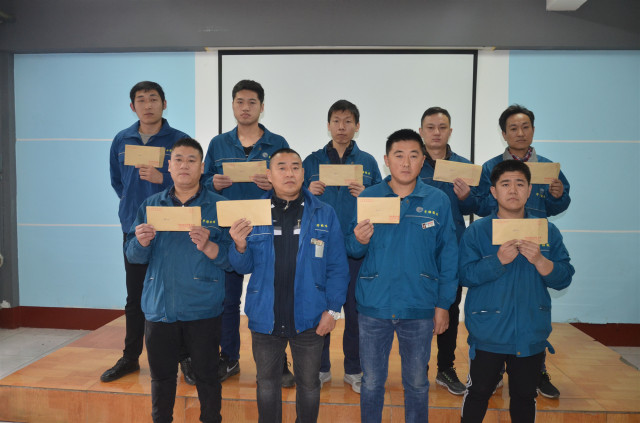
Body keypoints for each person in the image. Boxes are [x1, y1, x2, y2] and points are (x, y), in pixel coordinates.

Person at [228, 148, 350, 423]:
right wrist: (239, 245)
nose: (289, 173)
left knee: (309, 385)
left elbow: (338, 267)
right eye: (281, 167)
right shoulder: (251, 214)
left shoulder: (324, 213)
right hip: (265, 316)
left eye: (295, 167)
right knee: (266, 384)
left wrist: (333, 311)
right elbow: (241, 267)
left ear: (303, 174)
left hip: (310, 317)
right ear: (269, 175)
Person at [346, 129, 459, 423]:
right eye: (399, 155)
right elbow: (351, 249)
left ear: (423, 160)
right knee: (372, 382)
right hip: (375, 306)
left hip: (419, 306)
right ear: (386, 160)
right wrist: (358, 239)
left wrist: (443, 305)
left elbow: (449, 257)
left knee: (417, 383)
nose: (406, 163)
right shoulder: (369, 197)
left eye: (413, 156)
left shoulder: (438, 200)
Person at [125, 137, 232, 423]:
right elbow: (133, 256)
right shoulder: (151, 205)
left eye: (191, 160)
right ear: (169, 167)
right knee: (161, 378)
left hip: (203, 308)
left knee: (208, 377)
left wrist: (210, 246)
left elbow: (232, 260)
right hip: (160, 307)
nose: (185, 165)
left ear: (202, 167)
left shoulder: (219, 206)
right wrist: (141, 242)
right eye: (179, 160)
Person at [459, 160, 574, 423]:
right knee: (478, 393)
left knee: (524, 397)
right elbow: (464, 275)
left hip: (530, 332)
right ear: (493, 191)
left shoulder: (546, 231)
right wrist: (497, 260)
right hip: (488, 332)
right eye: (505, 184)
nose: (513, 190)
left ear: (530, 190)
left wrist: (542, 262)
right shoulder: (477, 231)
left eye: (520, 184)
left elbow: (564, 277)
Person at [476, 104, 571, 398]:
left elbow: (558, 205)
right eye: (513, 128)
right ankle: (492, 371)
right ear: (504, 133)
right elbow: (481, 204)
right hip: (500, 244)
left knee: (531, 311)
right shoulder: (490, 167)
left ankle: (536, 371)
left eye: (525, 127)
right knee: (499, 308)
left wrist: (558, 195)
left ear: (533, 130)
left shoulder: (548, 167)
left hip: (535, 245)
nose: (520, 133)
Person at [202, 79, 292, 385]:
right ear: (232, 106)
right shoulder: (218, 144)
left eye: (252, 102)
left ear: (261, 107)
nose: (245, 107)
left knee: (276, 296)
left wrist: (274, 182)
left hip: (269, 230)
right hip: (229, 231)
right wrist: (212, 183)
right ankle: (229, 358)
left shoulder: (277, 142)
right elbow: (204, 182)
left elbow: (292, 181)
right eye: (240, 101)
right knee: (228, 301)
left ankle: (279, 362)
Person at [105, 81, 195, 385]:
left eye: (153, 99)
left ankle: (185, 358)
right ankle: (130, 357)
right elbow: (118, 182)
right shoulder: (122, 140)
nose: (148, 105)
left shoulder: (179, 140)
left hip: (173, 226)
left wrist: (161, 179)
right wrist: (134, 206)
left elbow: (191, 180)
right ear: (133, 107)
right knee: (135, 297)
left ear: (164, 104)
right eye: (141, 100)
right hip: (136, 228)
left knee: (176, 292)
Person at [302, 100, 382, 393]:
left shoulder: (368, 162)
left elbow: (383, 202)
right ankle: (320, 367)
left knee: (356, 312)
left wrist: (368, 193)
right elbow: (293, 197)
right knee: (319, 310)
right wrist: (306, 191)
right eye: (336, 121)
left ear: (357, 126)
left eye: (348, 121)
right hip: (319, 248)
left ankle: (354, 369)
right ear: (328, 125)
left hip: (357, 246)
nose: (342, 127)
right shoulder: (311, 161)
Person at [418, 106, 479, 396]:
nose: (436, 132)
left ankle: (445, 367)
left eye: (442, 127)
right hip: (418, 249)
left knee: (450, 309)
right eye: (430, 127)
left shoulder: (463, 167)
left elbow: (477, 206)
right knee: (418, 310)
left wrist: (466, 197)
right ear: (421, 131)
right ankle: (418, 367)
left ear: (450, 131)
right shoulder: (412, 163)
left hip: (451, 250)